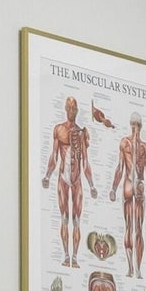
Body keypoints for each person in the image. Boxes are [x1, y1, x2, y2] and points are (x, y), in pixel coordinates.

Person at [38, 92, 96, 263]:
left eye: (74, 108)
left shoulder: (81, 133)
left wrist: (92, 185)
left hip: (77, 179)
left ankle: (75, 257)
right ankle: (65, 256)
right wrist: (47, 176)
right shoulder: (59, 130)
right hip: (63, 178)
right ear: (65, 109)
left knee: (76, 220)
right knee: (64, 217)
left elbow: (85, 162)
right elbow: (54, 156)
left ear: (77, 110)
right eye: (69, 107)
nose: (72, 110)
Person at [112, 113, 146, 278]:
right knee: (130, 227)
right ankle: (131, 268)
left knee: (137, 228)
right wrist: (113, 188)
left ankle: (136, 268)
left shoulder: (144, 148)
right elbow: (120, 168)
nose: (134, 128)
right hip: (130, 186)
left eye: (136, 125)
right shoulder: (125, 143)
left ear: (139, 126)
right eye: (133, 124)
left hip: (137, 187)